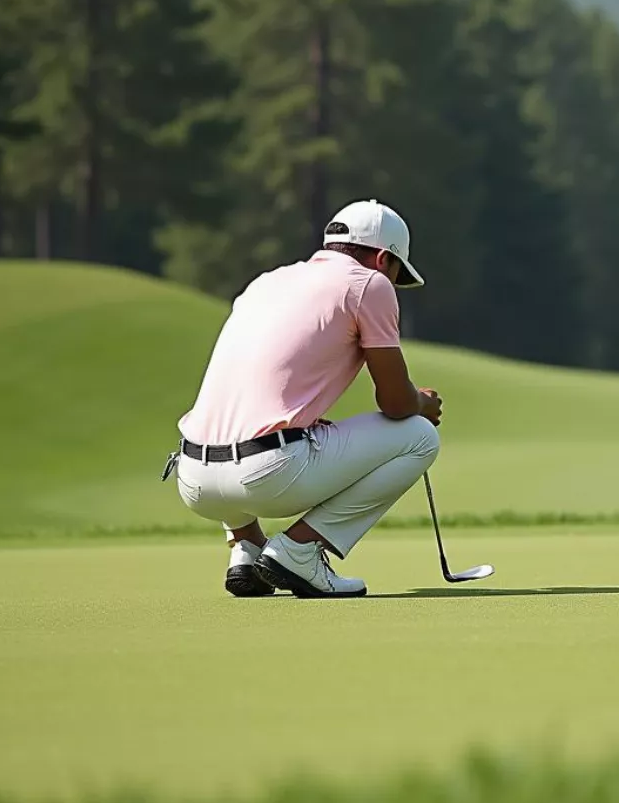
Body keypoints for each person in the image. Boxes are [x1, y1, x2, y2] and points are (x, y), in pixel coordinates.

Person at [164, 200, 442, 599]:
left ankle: (247, 547)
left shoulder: (267, 281)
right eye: (397, 274)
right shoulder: (370, 283)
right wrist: (423, 404)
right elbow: (397, 404)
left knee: (243, 435)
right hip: (266, 474)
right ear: (383, 259)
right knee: (419, 435)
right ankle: (299, 550)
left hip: (194, 477)